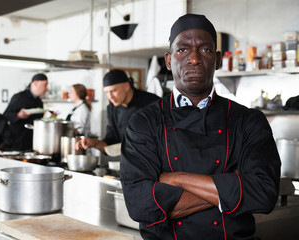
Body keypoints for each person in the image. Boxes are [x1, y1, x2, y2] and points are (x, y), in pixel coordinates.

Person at [120, 14, 281, 240]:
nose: (194, 59)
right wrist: (231, 184)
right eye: (182, 50)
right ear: (168, 60)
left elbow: (263, 194)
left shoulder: (248, 120)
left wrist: (175, 179)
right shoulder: (144, 122)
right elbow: (140, 205)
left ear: (216, 60)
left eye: (205, 50)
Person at [75, 69, 160, 153]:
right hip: (129, 162)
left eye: (113, 91)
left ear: (126, 86)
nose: (110, 96)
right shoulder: (112, 109)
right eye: (107, 92)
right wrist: (94, 143)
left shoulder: (153, 103)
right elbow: (110, 143)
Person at [3, 73, 48, 151]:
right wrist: (18, 116)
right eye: (45, 85)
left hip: (32, 141)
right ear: (35, 83)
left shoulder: (39, 101)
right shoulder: (19, 97)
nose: (47, 88)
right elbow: (5, 116)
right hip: (17, 141)